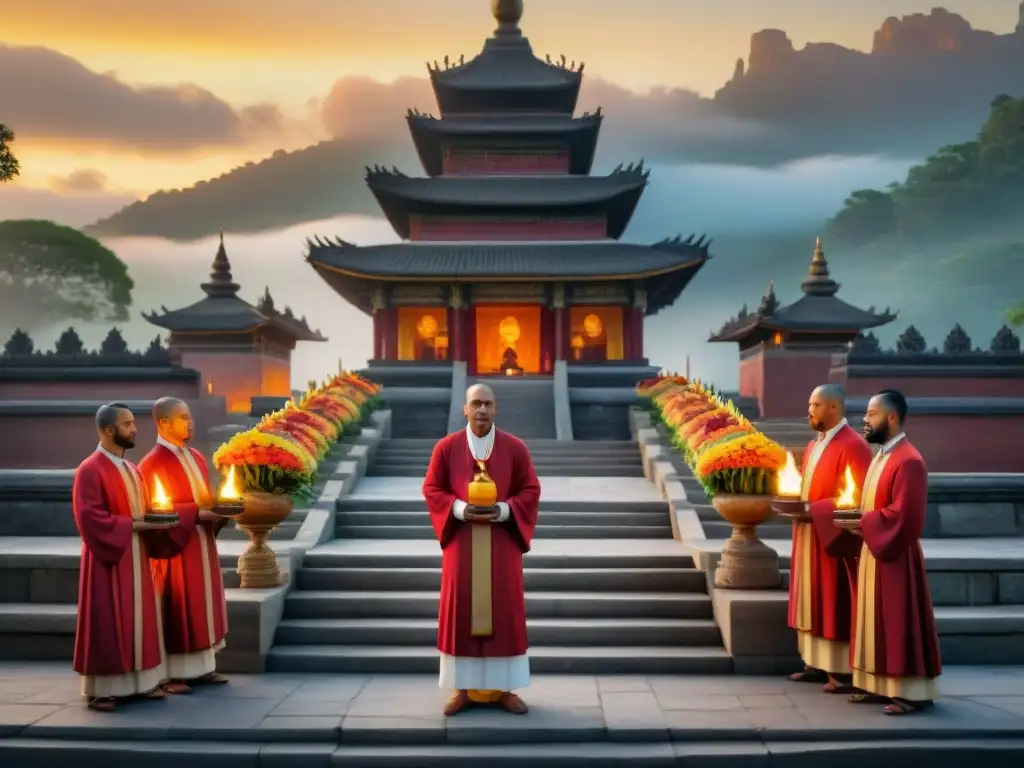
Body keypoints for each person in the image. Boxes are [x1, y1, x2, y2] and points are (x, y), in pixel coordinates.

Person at [422, 383, 540, 716]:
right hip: (462, 542)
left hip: (502, 543)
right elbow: (432, 488)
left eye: (488, 404)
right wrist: (458, 508)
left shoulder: (515, 448)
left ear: (496, 408)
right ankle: (463, 689)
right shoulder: (446, 448)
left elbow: (530, 490)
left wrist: (503, 510)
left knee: (504, 610)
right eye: (476, 404)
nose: (482, 410)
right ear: (465, 409)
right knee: (462, 611)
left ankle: (506, 690)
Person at [72, 403, 173, 712]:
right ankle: (103, 690)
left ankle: (142, 683)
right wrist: (133, 525)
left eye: (133, 423)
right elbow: (89, 518)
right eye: (128, 424)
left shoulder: (132, 469)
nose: (135, 429)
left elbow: (144, 509)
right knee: (108, 619)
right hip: (109, 559)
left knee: (139, 617)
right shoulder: (90, 469)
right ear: (109, 430)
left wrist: (159, 519)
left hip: (137, 556)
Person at [847, 389, 941, 715]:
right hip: (875, 549)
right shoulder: (883, 456)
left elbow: (906, 517)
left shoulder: (909, 460)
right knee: (876, 620)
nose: (864, 419)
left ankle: (909, 692)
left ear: (890, 418)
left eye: (871, 414)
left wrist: (866, 522)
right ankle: (879, 684)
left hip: (896, 555)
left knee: (899, 620)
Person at [139, 397, 229, 694]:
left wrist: (219, 510)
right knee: (178, 604)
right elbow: (154, 509)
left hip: (201, 542)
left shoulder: (196, 457)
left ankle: (203, 667)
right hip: (174, 549)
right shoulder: (152, 463)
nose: (189, 423)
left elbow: (203, 497)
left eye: (189, 417)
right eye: (182, 417)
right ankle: (173, 673)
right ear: (163, 423)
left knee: (203, 602)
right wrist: (196, 513)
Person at [789, 384, 873, 694]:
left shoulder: (854, 446)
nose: (809, 410)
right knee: (811, 599)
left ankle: (839, 668)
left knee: (832, 599)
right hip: (809, 534)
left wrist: (818, 511)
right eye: (810, 404)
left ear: (834, 408)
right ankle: (814, 662)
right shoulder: (814, 446)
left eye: (815, 405)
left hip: (833, 539)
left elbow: (860, 499)